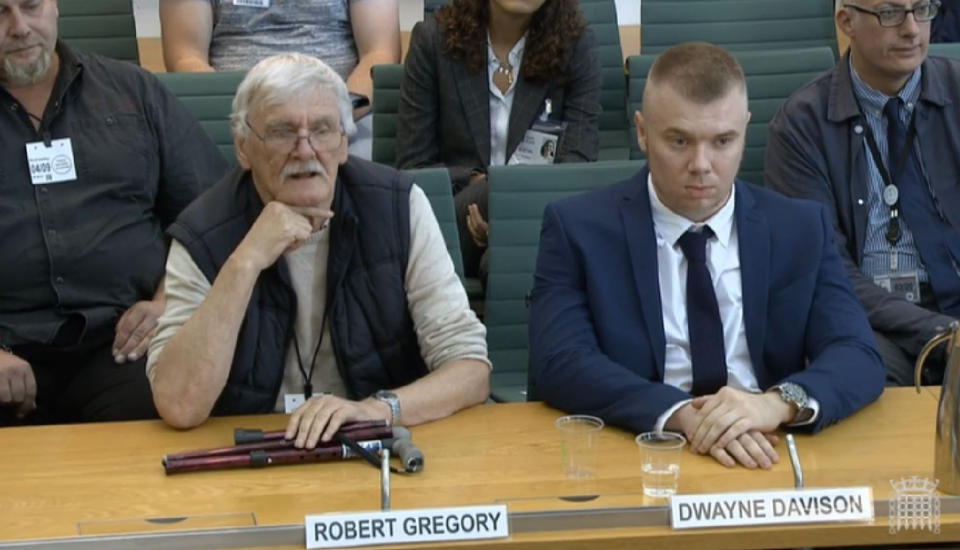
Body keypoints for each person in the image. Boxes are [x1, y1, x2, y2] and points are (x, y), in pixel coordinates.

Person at [529, 42, 885, 469]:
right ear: (642, 132)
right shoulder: (577, 229)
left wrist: (774, 405)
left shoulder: (801, 227)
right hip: (639, 450)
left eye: (722, 141)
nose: (701, 164)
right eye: (679, 141)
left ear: (745, 131)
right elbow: (560, 362)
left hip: (765, 447)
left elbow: (856, 353)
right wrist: (681, 415)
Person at [147, 53, 490, 448]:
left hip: (372, 444)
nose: (305, 150)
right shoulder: (202, 230)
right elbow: (179, 404)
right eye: (281, 132)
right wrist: (245, 262)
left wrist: (377, 410)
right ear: (243, 148)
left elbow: (470, 370)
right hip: (251, 447)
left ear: (344, 144)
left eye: (323, 130)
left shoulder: (398, 206)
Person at [0, 0, 228, 425]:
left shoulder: (133, 92)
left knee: (167, 414)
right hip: (7, 346)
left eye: (31, 6)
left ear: (53, 7)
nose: (19, 27)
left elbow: (213, 212)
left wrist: (170, 302)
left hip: (125, 342)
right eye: (0, 13)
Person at [766, 0, 960, 385]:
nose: (911, 29)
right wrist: (944, 333)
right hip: (873, 325)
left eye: (922, 9)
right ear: (846, 21)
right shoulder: (801, 124)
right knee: (854, 382)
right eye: (890, 12)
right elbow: (824, 267)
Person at [396, 0, 601, 279]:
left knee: (502, 261)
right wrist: (480, 186)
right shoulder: (433, 40)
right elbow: (414, 168)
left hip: (540, 220)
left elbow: (578, 164)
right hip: (454, 218)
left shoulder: (575, 44)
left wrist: (514, 213)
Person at [158, 0, 402, 159]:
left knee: (372, 181)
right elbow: (185, 58)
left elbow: (379, 55)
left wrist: (328, 119)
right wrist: (249, 120)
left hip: (341, 115)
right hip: (237, 114)